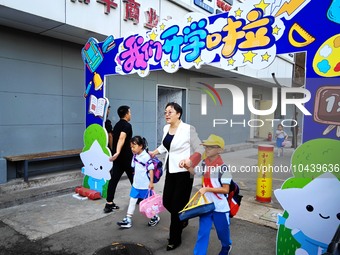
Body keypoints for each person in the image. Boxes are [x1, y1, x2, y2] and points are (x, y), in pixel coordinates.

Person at [149, 102, 204, 251]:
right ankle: (182, 219)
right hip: (170, 170)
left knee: (176, 207)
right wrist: (154, 152)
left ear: (178, 114)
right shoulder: (166, 128)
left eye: (170, 112)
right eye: (165, 112)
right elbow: (165, 145)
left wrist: (190, 160)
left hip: (185, 173)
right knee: (167, 201)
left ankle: (174, 239)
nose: (166, 114)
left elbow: (200, 148)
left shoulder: (188, 129)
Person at [184, 134, 232, 255]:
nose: (207, 149)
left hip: (220, 207)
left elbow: (226, 190)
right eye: (206, 147)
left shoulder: (224, 168)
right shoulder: (205, 164)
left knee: (222, 233)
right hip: (206, 205)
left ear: (219, 149)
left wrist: (207, 189)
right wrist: (187, 167)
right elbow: (196, 173)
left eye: (211, 147)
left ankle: (226, 246)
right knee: (203, 233)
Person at [117, 136, 160, 228]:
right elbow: (134, 166)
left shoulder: (145, 156)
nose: (132, 148)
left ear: (141, 146)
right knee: (132, 201)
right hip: (136, 185)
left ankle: (155, 217)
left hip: (145, 186)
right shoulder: (135, 155)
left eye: (134, 146)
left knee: (149, 204)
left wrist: (151, 183)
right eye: (131, 147)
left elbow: (151, 169)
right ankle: (128, 219)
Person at [104, 105, 134, 213]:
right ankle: (140, 198)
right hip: (126, 158)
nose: (130, 114)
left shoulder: (116, 125)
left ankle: (109, 204)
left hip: (118, 159)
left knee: (114, 180)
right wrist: (117, 151)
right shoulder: (127, 125)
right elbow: (122, 137)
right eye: (129, 112)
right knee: (134, 179)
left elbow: (112, 137)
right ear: (126, 114)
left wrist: (114, 151)